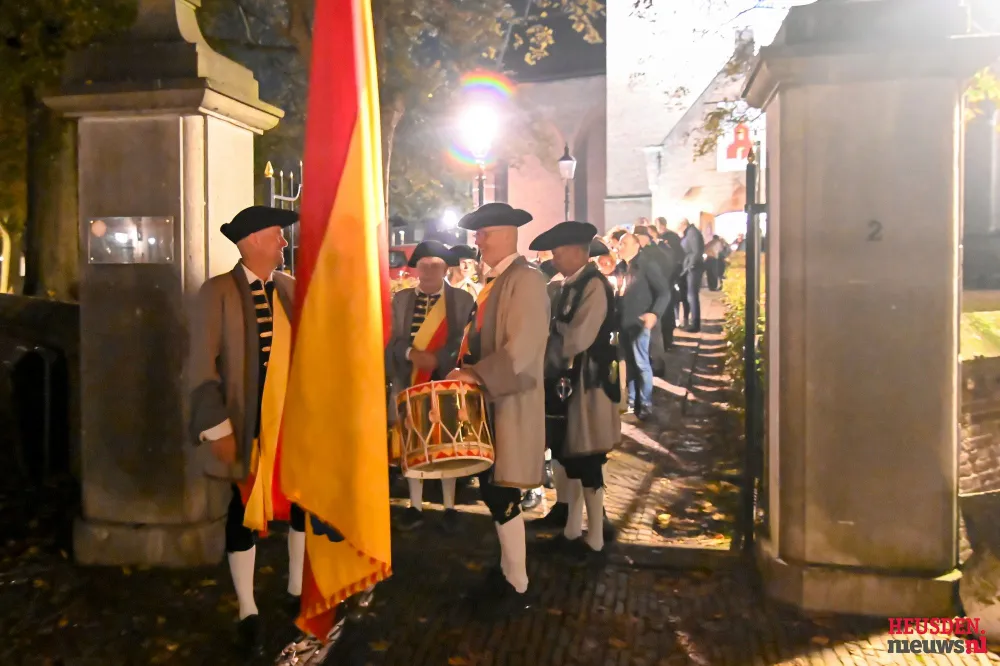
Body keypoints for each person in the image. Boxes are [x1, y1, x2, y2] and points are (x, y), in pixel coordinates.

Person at [187, 205, 305, 657]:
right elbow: (199, 364)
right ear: (253, 240)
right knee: (241, 513)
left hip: (290, 424)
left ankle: (297, 589)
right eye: (277, 234)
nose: (284, 242)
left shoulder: (290, 288)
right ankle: (247, 609)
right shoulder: (216, 291)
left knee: (299, 504)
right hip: (244, 425)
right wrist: (216, 428)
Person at [446, 203, 549, 619]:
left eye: (484, 233)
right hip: (491, 400)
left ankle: (517, 582)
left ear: (506, 233)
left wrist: (474, 374)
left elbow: (522, 348)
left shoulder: (526, 280)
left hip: (508, 400)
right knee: (493, 488)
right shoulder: (499, 280)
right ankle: (509, 569)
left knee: (503, 490)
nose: (478, 240)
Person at [530, 222, 621, 558]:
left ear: (576, 252)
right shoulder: (568, 284)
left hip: (589, 386)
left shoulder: (593, 285)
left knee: (588, 458)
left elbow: (579, 338)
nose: (553, 259)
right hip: (569, 384)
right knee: (569, 456)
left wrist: (548, 335)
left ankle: (595, 539)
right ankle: (571, 531)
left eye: (558, 253)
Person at [386, 240, 475, 533]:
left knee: (447, 443)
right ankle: (415, 506)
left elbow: (464, 340)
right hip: (409, 379)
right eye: (423, 266)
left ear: (445, 268)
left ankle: (449, 507)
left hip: (445, 381)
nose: (428, 272)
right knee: (412, 443)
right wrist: (411, 354)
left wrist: (437, 359)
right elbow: (392, 339)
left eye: (435, 266)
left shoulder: (462, 300)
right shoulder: (401, 300)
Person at [616, 232, 671, 420]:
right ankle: (633, 402)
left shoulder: (647, 265)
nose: (619, 247)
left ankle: (646, 403)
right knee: (630, 364)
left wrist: (654, 313)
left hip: (639, 323)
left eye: (624, 243)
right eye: (619, 244)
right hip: (624, 322)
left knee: (641, 364)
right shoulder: (621, 267)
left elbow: (664, 292)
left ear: (636, 246)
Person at [678, 218, 705, 332]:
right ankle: (692, 322)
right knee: (690, 296)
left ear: (683, 225)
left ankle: (695, 324)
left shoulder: (692, 233)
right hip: (691, 268)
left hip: (693, 269)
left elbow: (696, 251)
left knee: (692, 296)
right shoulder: (690, 232)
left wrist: (690, 266)